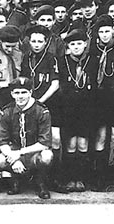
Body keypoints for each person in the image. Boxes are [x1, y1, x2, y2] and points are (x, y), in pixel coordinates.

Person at [20, 25, 66, 193]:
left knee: (54, 140)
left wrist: (39, 101)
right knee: (34, 140)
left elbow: (55, 84)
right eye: (34, 41)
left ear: (46, 42)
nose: (37, 44)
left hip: (49, 104)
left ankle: (53, 179)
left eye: (40, 41)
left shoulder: (51, 58)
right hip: (30, 104)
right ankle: (36, 180)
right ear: (29, 42)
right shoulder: (26, 58)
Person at [0, 77, 54, 199]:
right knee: (1, 159)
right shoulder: (7, 111)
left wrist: (19, 153)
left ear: (30, 93)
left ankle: (40, 182)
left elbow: (44, 143)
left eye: (24, 92)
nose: (20, 96)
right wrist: (14, 159)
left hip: (33, 153)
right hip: (15, 153)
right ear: (12, 94)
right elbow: (2, 141)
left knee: (47, 156)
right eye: (17, 93)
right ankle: (15, 180)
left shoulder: (41, 111)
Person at [58, 28, 99, 192]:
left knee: (83, 143)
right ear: (68, 46)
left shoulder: (93, 60)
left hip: (87, 108)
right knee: (70, 144)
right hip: (68, 108)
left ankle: (81, 178)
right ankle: (69, 178)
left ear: (85, 44)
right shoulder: (62, 61)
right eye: (72, 44)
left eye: (79, 44)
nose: (76, 47)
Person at [88, 15, 114, 192]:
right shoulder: (93, 49)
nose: (104, 35)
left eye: (107, 31)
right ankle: (99, 178)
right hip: (98, 99)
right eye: (101, 31)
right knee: (101, 137)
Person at [0, 25, 23, 196]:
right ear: (0, 41)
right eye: (6, 45)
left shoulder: (19, 54)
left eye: (12, 45)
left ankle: (10, 179)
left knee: (12, 138)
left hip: (14, 97)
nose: (9, 48)